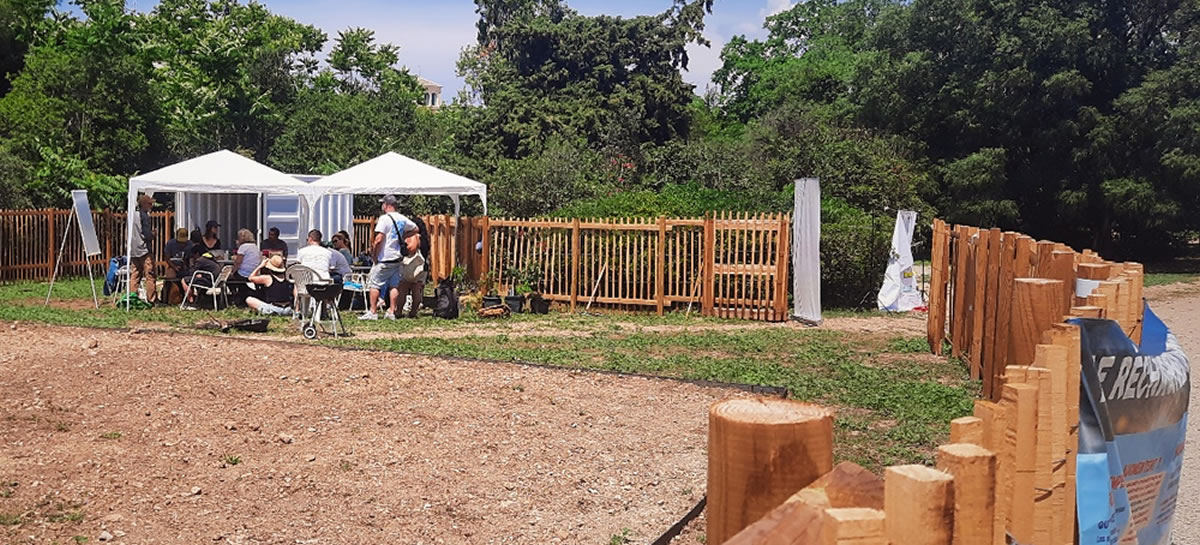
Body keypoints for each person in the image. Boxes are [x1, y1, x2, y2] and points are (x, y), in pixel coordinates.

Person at [360, 194, 419, 320]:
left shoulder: (384, 219)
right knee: (394, 285)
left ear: (387, 205)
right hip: (397, 257)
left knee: (374, 284)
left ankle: (373, 312)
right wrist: (403, 236)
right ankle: (391, 311)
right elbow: (416, 228)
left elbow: (379, 239)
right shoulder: (402, 218)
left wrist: (375, 255)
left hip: (385, 257)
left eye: (383, 204)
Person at [396, 215, 431, 318]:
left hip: (408, 266)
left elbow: (411, 249)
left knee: (403, 289)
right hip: (421, 267)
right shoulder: (424, 238)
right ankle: (413, 312)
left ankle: (399, 311)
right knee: (417, 290)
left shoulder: (412, 236)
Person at [128, 194, 157, 303]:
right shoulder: (144, 216)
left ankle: (132, 297)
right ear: (144, 204)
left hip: (134, 249)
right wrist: (153, 234)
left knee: (135, 275)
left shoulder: (132, 215)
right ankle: (152, 299)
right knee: (150, 274)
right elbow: (146, 234)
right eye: (149, 204)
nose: (151, 206)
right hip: (144, 249)